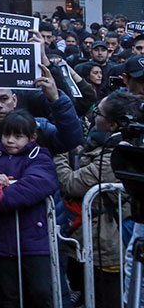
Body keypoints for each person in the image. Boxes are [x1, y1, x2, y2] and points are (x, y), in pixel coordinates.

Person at [53, 91, 137, 307]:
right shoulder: (104, 147)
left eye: (97, 113)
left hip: (108, 246)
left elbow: (71, 183)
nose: (92, 118)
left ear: (113, 125)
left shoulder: (119, 155)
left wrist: (60, 152)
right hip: (91, 243)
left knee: (107, 297)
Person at [0, 108, 59, 306]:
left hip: (34, 243)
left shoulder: (40, 157)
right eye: (6, 134)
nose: (10, 140)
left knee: (40, 293)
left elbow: (35, 186)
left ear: (32, 137)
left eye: (18, 136)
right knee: (7, 297)